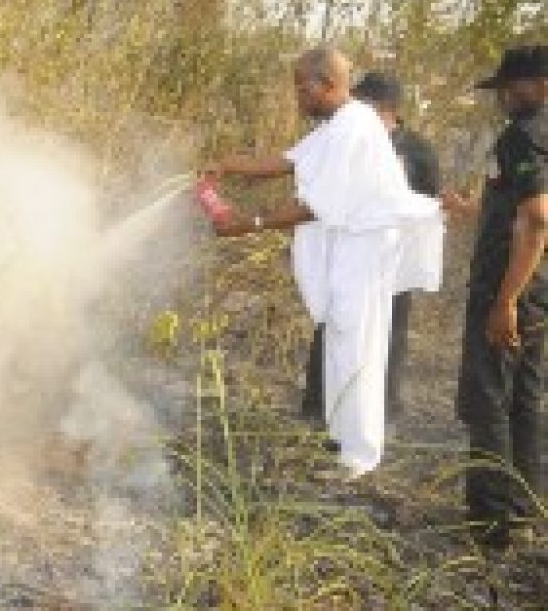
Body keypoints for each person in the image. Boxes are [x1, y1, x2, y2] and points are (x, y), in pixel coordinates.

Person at [206, 46, 444, 479]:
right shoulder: (338, 124)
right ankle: (340, 440)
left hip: (363, 249)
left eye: (303, 86)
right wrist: (228, 166)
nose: (298, 94)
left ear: (329, 84)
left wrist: (249, 223)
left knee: (357, 348)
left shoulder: (355, 126)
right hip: (350, 249)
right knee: (340, 341)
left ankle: (360, 454)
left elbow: (318, 205)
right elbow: (289, 161)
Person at [443, 45, 548, 550]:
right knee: (525, 398)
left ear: (541, 85)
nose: (505, 97)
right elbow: (519, 209)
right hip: (538, 291)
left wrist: (505, 299)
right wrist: (469, 209)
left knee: (489, 398)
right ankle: (524, 512)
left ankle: (491, 523)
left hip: (510, 290)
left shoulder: (522, 138)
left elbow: (538, 217)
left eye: (513, 88)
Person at [302, 72, 441, 427]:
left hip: (390, 263)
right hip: (345, 254)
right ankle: (320, 410)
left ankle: (381, 413)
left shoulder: (418, 151)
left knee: (387, 337)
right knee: (333, 330)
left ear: (387, 110)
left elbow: (428, 206)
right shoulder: (342, 140)